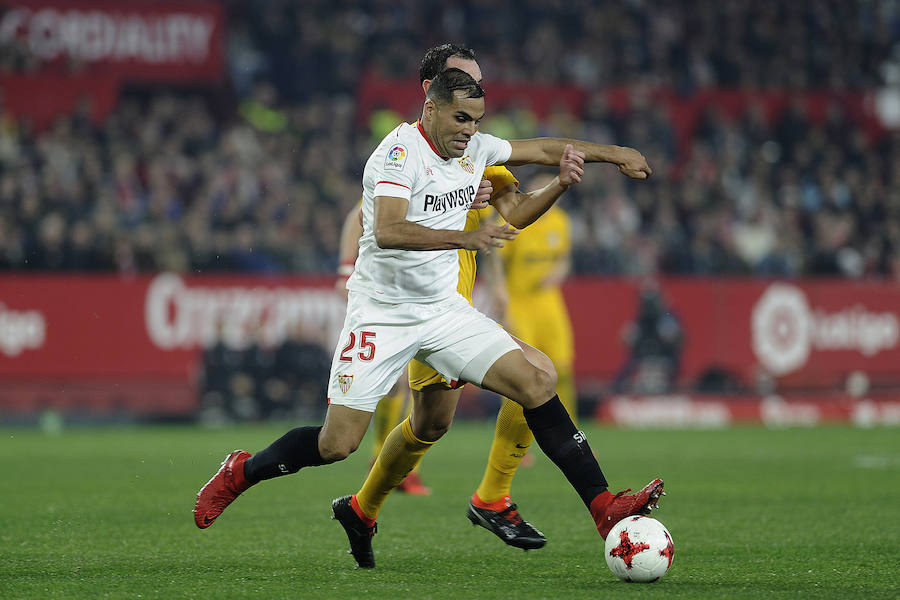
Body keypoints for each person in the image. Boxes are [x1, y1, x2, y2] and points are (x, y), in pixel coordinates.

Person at [193, 66, 662, 570]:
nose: (469, 130)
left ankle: (603, 508)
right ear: (431, 107)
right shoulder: (396, 154)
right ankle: (243, 471)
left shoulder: (477, 150)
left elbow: (546, 151)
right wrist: (465, 238)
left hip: (442, 311)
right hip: (381, 313)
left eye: (477, 120)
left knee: (536, 379)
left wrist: (615, 155)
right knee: (338, 444)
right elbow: (390, 230)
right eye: (461, 117)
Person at [334, 43, 574, 544]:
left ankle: (484, 496)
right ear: (431, 92)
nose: (476, 98)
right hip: (418, 296)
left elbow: (514, 207)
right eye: (463, 84)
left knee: (520, 382)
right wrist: (345, 265)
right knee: (426, 419)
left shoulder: (473, 143)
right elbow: (367, 214)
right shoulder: (406, 150)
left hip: (454, 294)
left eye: (480, 85)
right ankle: (373, 503)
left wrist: (569, 174)